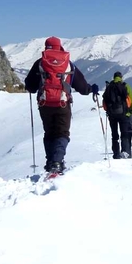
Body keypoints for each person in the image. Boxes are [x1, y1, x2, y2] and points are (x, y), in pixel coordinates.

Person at [24, 36, 99, 174]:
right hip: (63, 103)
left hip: (44, 103)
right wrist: (91, 89)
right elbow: (82, 87)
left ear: (46, 47)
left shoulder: (40, 63)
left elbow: (30, 85)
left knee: (49, 133)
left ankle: (50, 161)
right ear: (60, 47)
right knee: (62, 133)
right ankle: (57, 162)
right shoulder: (68, 63)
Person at [102, 71, 132, 159]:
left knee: (114, 135)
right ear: (121, 77)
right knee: (124, 134)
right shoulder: (125, 86)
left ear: (114, 77)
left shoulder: (109, 87)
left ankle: (116, 154)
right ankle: (124, 152)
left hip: (112, 115)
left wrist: (108, 111)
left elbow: (104, 102)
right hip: (124, 114)